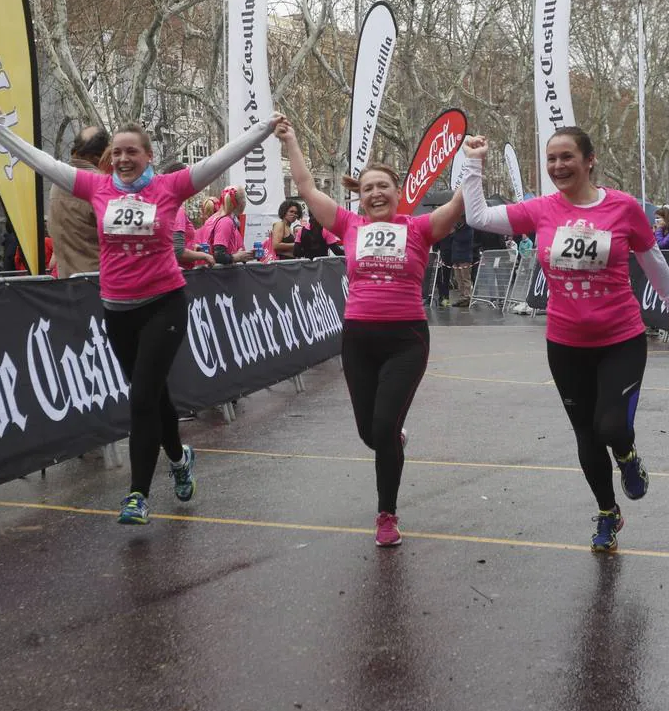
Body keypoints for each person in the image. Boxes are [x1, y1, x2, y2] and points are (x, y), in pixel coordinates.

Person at [0, 107, 276, 525]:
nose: (123, 159)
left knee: (141, 397)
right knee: (154, 396)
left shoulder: (169, 187)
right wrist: (3, 134)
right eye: (117, 153)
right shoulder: (96, 186)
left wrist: (263, 128)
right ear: (110, 158)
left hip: (165, 304)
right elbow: (44, 164)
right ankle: (179, 459)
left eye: (132, 153)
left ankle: (137, 495)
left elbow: (219, 159)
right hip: (118, 310)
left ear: (148, 155)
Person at [460, 128, 669, 553]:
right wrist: (473, 163)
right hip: (566, 343)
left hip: (620, 336)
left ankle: (627, 455)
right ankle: (608, 513)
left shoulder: (623, 208)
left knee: (611, 426)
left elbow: (651, 257)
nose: (557, 167)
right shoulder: (541, 209)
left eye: (566, 157)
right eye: (551, 159)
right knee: (586, 435)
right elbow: (477, 218)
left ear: (590, 160)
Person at [276, 115, 463, 547]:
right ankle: (391, 437)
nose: (376, 193)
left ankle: (386, 514)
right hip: (358, 339)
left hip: (406, 341)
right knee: (371, 433)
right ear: (359, 198)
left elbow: (459, 206)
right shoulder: (349, 226)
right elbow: (306, 189)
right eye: (367, 188)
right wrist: (292, 141)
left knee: (381, 429)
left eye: (384, 186)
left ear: (399, 194)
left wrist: (469, 163)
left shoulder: (418, 228)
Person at [49, 126, 110, 278]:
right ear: (101, 155)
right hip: (99, 282)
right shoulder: (102, 185)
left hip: (66, 283)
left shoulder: (57, 184)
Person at [159, 162, 215, 270]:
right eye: (189, 179)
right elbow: (178, 251)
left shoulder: (164, 206)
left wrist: (193, 248)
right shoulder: (177, 211)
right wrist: (204, 256)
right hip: (179, 274)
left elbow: (170, 245)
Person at [203, 187, 255, 265]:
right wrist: (237, 257)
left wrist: (244, 255)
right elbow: (219, 256)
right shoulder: (226, 221)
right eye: (245, 199)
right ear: (241, 204)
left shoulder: (214, 219)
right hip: (221, 275)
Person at [449, 220, 475, 307]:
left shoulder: (468, 229)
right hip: (456, 257)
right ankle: (461, 297)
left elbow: (462, 239)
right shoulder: (457, 230)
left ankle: (467, 297)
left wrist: (454, 233)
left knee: (465, 278)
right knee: (458, 279)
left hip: (465, 257)